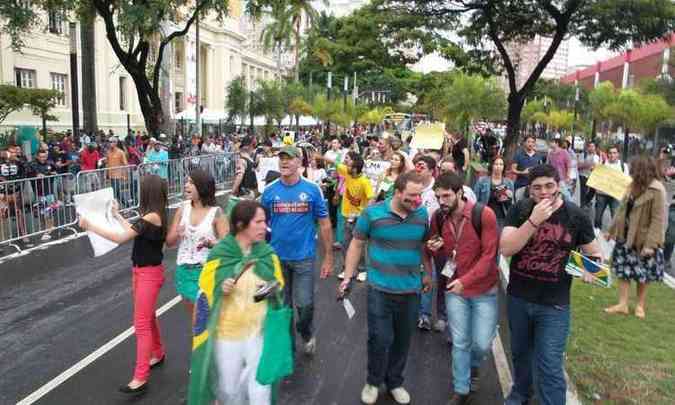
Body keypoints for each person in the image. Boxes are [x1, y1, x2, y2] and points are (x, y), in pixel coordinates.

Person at [500, 164, 602, 405]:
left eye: (549, 186)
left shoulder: (576, 215)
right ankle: (520, 394)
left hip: (554, 305)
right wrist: (533, 221)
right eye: (537, 187)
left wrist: (590, 270)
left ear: (558, 186)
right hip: (519, 298)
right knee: (521, 354)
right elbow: (506, 248)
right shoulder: (521, 210)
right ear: (530, 190)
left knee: (549, 363)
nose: (544, 192)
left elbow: (595, 254)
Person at [338, 171, 432, 405]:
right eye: (411, 196)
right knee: (379, 338)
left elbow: (422, 246)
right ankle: (373, 381)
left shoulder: (422, 215)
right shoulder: (373, 213)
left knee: (402, 339)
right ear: (398, 192)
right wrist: (347, 277)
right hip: (379, 289)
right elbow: (357, 244)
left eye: (419, 196)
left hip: (410, 291)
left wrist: (428, 273)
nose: (416, 201)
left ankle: (395, 382)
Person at [187, 200, 290, 405]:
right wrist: (221, 289)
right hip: (227, 336)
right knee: (229, 390)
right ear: (242, 225)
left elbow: (278, 286)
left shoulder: (266, 254)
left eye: (265, 222)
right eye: (259, 222)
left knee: (261, 387)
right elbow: (205, 295)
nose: (265, 227)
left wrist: (266, 289)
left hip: (258, 334)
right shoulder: (221, 255)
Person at [79, 174, 168, 394]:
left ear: (147, 192)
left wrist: (90, 224)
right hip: (142, 271)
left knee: (141, 324)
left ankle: (140, 377)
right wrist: (117, 215)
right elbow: (132, 230)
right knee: (148, 317)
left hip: (148, 274)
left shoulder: (152, 217)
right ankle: (157, 352)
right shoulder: (152, 216)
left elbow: (120, 238)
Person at [426, 172, 499, 405]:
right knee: (460, 341)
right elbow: (436, 250)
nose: (442, 201)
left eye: (446, 196)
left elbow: (489, 256)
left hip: (484, 290)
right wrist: (433, 247)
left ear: (460, 193)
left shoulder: (483, 214)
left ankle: (474, 368)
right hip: (454, 289)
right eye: (438, 197)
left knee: (481, 343)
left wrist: (466, 281)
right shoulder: (437, 217)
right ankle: (461, 389)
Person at [260, 145, 334, 355]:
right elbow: (260, 222)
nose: (284, 162)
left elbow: (325, 223)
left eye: (289, 158)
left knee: (304, 306)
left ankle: (306, 332)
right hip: (276, 260)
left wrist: (329, 257)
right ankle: (288, 346)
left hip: (304, 258)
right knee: (283, 308)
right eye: (281, 158)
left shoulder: (312, 189)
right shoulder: (269, 191)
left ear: (300, 162)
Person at [604, 156, 666, 319]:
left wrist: (651, 245)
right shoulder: (631, 186)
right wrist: (611, 230)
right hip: (625, 236)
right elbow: (621, 210)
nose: (631, 172)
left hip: (643, 240)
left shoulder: (657, 189)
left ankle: (640, 305)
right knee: (623, 271)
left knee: (643, 274)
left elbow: (658, 219)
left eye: (633, 169)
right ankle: (622, 304)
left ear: (641, 170)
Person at [166, 169, 228, 315]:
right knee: (196, 322)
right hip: (184, 272)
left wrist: (211, 243)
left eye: (191, 183)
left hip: (207, 271)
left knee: (206, 318)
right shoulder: (182, 209)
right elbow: (169, 242)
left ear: (202, 186)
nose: (186, 185)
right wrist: (177, 233)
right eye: (187, 182)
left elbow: (228, 247)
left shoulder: (216, 213)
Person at [323, 151, 374, 281]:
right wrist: (319, 156)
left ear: (355, 168)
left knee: (359, 245)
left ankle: (362, 269)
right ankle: (348, 268)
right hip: (346, 216)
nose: (346, 165)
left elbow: (371, 198)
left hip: (359, 218)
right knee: (345, 244)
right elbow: (334, 162)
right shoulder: (347, 173)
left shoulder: (364, 181)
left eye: (349, 163)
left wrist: (366, 214)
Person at [412, 155, 440, 331]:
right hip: (412, 238)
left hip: (432, 237)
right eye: (416, 165)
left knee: (430, 274)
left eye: (421, 166)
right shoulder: (411, 187)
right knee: (413, 274)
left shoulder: (437, 190)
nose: (417, 168)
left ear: (431, 170)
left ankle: (425, 314)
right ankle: (411, 311)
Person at [473, 157, 514, 229]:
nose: (498, 167)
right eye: (496, 164)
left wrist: (509, 198)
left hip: (502, 217)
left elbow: (512, 204)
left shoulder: (509, 182)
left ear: (504, 167)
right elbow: (475, 200)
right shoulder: (482, 181)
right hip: (485, 215)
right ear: (492, 166)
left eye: (501, 164)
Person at [594, 145, 629, 229]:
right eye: (610, 153)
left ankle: (614, 238)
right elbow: (596, 179)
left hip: (615, 196)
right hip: (602, 195)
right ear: (607, 154)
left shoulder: (623, 166)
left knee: (615, 218)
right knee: (598, 218)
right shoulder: (602, 164)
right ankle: (597, 234)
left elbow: (626, 182)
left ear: (618, 154)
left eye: (614, 153)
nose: (612, 155)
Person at [511, 135, 544, 201]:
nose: (530, 144)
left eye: (532, 142)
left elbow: (541, 169)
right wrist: (522, 172)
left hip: (534, 186)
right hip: (521, 185)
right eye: (528, 142)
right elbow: (513, 169)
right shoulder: (518, 154)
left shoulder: (538, 155)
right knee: (520, 205)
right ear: (524, 143)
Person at [577, 141, 601, 207]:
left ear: (595, 148)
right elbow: (578, 166)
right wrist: (589, 164)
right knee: (583, 192)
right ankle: (582, 205)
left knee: (593, 191)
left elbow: (598, 167)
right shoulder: (583, 155)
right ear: (587, 147)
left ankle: (586, 201)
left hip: (593, 176)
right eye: (590, 146)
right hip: (583, 176)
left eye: (593, 146)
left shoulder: (597, 156)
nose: (591, 148)